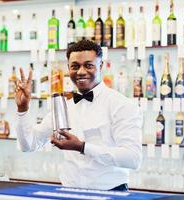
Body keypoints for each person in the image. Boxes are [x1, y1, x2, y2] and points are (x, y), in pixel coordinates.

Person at [15, 40, 142, 191]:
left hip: (111, 194)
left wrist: (82, 147)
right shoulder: (63, 107)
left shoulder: (121, 105)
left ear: (100, 66)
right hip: (69, 193)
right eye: (75, 66)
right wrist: (22, 109)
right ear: (68, 68)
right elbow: (28, 145)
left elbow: (133, 158)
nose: (81, 72)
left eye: (88, 65)